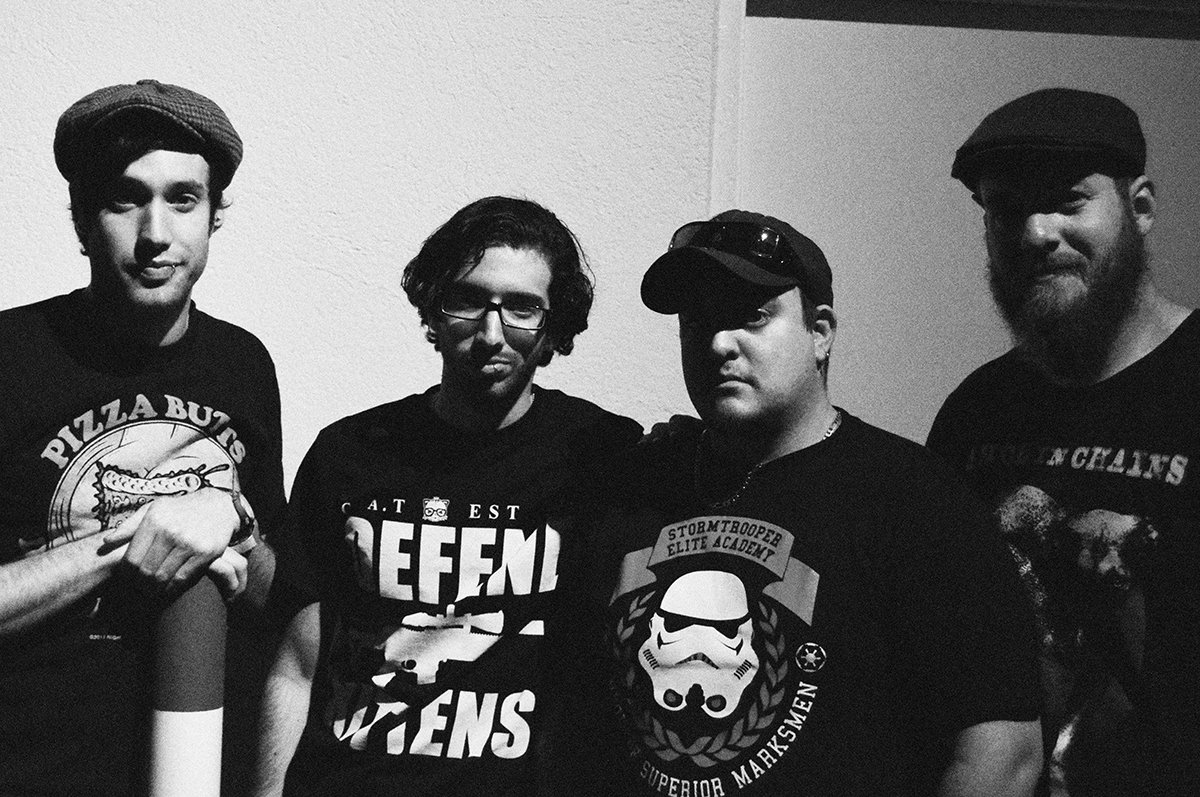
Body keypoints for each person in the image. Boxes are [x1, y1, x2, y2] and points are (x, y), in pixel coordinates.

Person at [604, 210, 1043, 796]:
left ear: (820, 332)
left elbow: (1003, 755)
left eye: (752, 316)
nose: (717, 343)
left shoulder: (915, 500)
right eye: (696, 321)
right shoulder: (637, 485)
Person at [254, 196, 642, 796]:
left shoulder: (602, 456)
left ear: (553, 327)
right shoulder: (350, 453)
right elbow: (297, 667)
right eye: (468, 300)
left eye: (522, 308)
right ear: (434, 311)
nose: (492, 334)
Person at [0, 80, 285, 795]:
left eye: (183, 199)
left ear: (214, 216)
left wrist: (236, 524)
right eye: (125, 199)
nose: (156, 233)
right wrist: (144, 536)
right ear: (81, 219)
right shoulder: (12, 355)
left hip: (200, 761)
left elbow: (274, 601)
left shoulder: (244, 365)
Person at [928, 87, 1200, 795]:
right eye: (1006, 209)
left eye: (1068, 201)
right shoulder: (974, 414)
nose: (1035, 232)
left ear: (1141, 207)